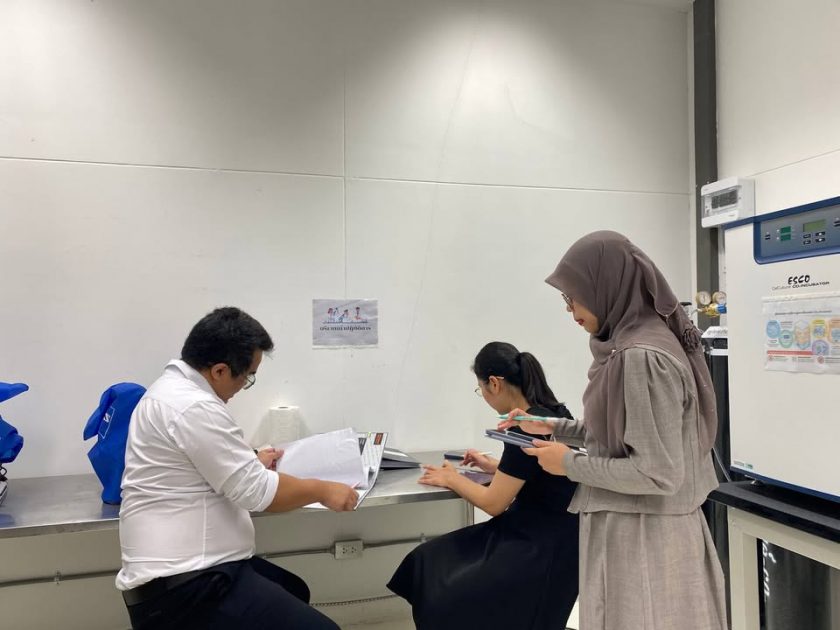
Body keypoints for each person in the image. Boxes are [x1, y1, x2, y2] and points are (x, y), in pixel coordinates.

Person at [500, 231, 727, 630]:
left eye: (574, 297)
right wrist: (553, 427)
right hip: (635, 529)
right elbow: (624, 434)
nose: (570, 310)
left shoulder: (641, 357)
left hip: (647, 539)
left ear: (606, 285)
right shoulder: (628, 346)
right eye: (565, 299)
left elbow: (657, 473)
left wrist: (569, 464)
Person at [117, 307, 358, 630]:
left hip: (191, 574)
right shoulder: (194, 406)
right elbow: (258, 493)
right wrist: (324, 490)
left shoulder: (168, 391)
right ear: (219, 370)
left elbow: (198, 467)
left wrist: (250, 463)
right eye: (247, 376)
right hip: (188, 588)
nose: (245, 384)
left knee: (293, 589)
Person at [387, 341, 579, 629]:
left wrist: (452, 478)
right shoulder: (552, 413)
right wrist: (493, 466)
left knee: (435, 575)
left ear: (494, 383)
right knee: (430, 559)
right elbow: (540, 473)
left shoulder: (523, 427)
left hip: (538, 544)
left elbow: (494, 504)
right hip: (561, 535)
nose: (484, 396)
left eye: (481, 389)